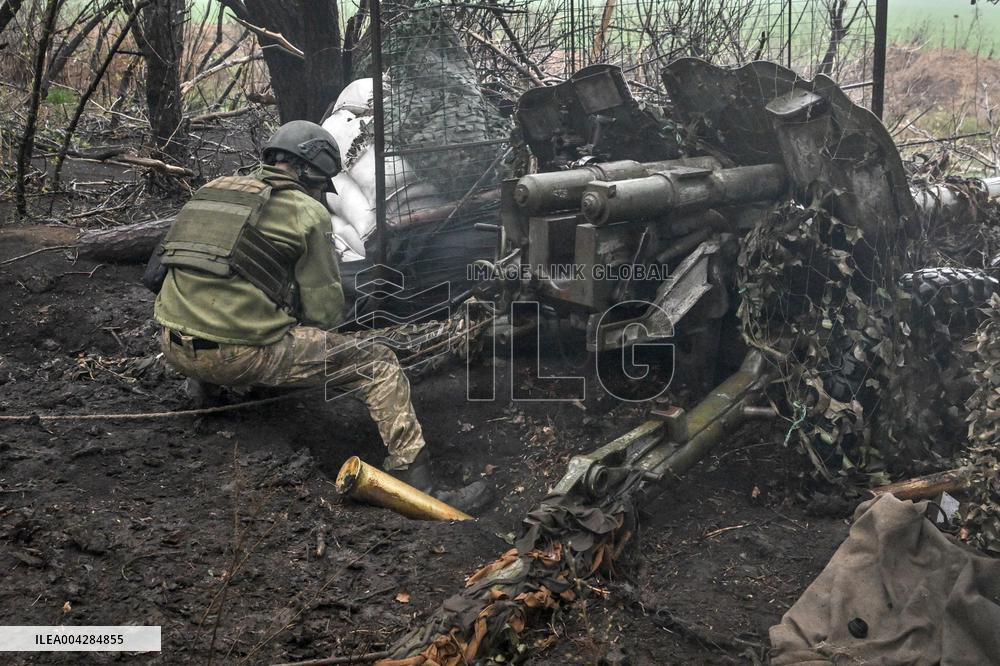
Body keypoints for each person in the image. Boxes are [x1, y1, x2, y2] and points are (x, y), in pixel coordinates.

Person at [152, 120, 490, 514]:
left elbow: (159, 274)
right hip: (237, 358)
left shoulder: (212, 191)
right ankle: (417, 479)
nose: (320, 193)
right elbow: (324, 313)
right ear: (311, 170)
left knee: (215, 292)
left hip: (172, 345)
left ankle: (206, 392)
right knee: (378, 362)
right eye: (320, 184)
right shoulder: (307, 212)